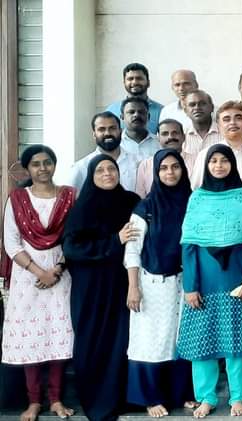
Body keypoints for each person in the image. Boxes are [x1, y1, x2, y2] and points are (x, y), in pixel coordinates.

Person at [177, 145, 242, 418]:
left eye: (224, 160)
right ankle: (206, 397)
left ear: (232, 164)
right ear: (206, 165)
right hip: (205, 279)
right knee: (202, 341)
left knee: (237, 341)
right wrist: (190, 286)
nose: (218, 165)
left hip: (237, 277)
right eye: (213, 161)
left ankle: (238, 396)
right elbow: (189, 245)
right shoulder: (197, 198)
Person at [63, 155, 142, 421]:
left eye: (112, 168)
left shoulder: (131, 202)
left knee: (122, 339)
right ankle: (98, 401)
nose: (107, 173)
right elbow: (73, 249)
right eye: (100, 170)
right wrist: (114, 240)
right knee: (93, 340)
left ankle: (123, 397)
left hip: (122, 283)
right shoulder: (82, 208)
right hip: (91, 288)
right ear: (91, 176)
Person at [3, 145, 77, 421]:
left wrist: (56, 269)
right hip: (27, 279)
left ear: (54, 165)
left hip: (62, 275)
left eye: (48, 162)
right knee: (30, 336)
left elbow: (75, 236)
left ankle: (56, 399)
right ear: (28, 169)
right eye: (36, 164)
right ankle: (34, 401)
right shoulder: (17, 199)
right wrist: (39, 272)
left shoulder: (69, 196)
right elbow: (11, 243)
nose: (43, 168)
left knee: (59, 334)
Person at [124, 149, 196, 417]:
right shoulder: (145, 208)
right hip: (152, 284)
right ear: (155, 173)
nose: (170, 172)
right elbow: (132, 249)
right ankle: (150, 398)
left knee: (179, 339)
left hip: (183, 282)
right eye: (163, 168)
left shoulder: (193, 201)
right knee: (151, 340)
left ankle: (181, 394)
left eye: (175, 167)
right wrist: (133, 286)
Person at [190, 101, 242, 194]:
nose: (232, 123)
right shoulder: (206, 154)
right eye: (226, 119)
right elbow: (196, 190)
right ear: (218, 126)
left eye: (238, 118)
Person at [70, 112, 140, 193]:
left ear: (120, 131)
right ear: (94, 134)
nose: (107, 133)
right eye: (101, 129)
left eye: (112, 128)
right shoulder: (81, 167)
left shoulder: (138, 163)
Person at [134, 119, 195, 197]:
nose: (170, 137)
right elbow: (140, 197)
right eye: (165, 134)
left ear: (183, 137)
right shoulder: (146, 165)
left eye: (175, 133)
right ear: (158, 138)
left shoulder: (197, 161)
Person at [105, 63, 164, 134]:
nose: (135, 82)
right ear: (124, 83)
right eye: (130, 79)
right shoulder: (112, 110)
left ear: (148, 82)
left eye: (139, 78)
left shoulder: (161, 111)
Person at [180, 90, 221, 156]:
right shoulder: (182, 135)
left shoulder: (224, 132)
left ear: (212, 107)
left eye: (202, 103)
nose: (197, 108)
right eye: (192, 105)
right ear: (185, 111)